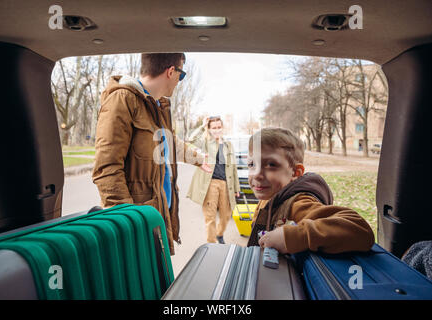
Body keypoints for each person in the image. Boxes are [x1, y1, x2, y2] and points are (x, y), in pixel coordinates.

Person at [92, 53, 211, 255]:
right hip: (138, 223)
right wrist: (128, 224)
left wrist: (198, 159)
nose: (179, 82)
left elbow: (167, 143)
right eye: (181, 76)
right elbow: (106, 169)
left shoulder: (156, 105)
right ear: (171, 71)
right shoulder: (122, 99)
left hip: (158, 214)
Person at [246, 127, 375, 254]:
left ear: (295, 172)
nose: (257, 174)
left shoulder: (297, 204)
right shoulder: (268, 197)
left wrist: (291, 237)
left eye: (271, 165)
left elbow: (360, 229)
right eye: (252, 164)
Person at [186, 116, 241, 244]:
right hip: (210, 183)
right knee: (210, 217)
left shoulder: (228, 145)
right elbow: (191, 140)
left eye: (219, 127)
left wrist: (236, 188)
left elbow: (233, 167)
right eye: (214, 128)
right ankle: (211, 243)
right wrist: (202, 126)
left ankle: (219, 234)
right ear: (209, 129)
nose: (217, 130)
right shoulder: (205, 142)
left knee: (226, 215)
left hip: (226, 184)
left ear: (222, 128)